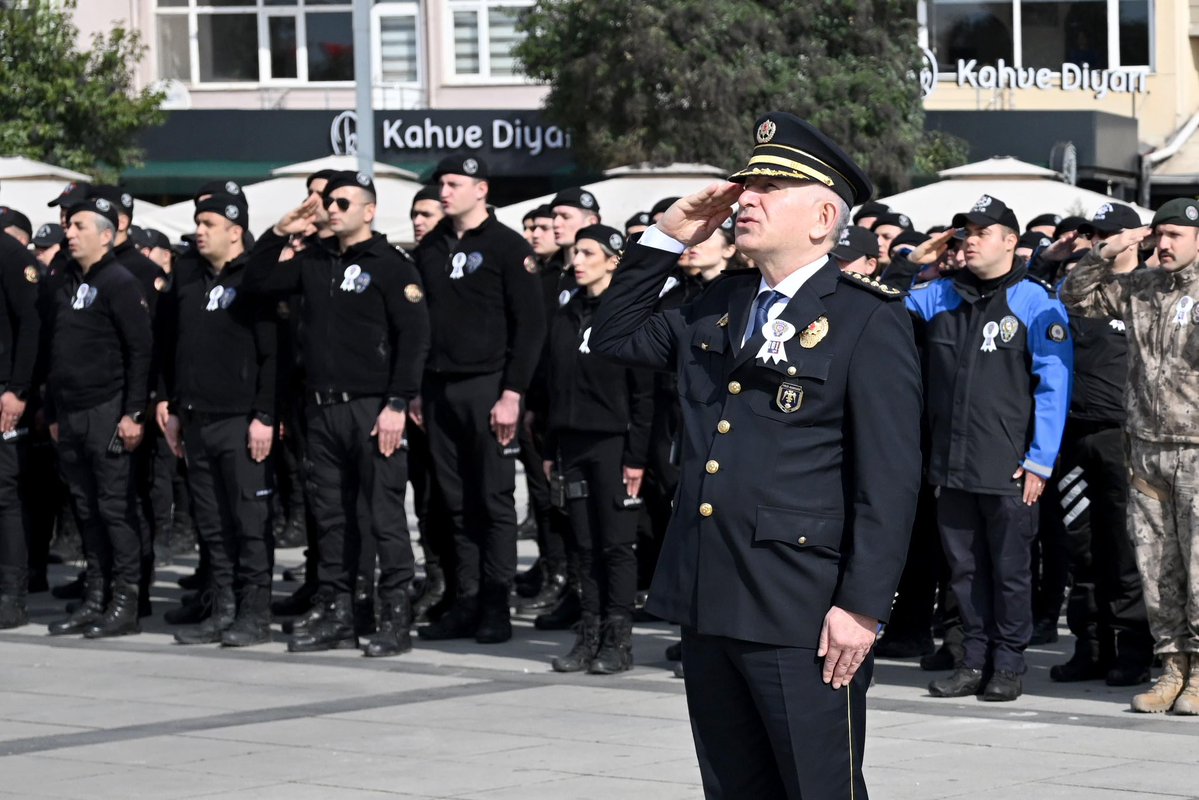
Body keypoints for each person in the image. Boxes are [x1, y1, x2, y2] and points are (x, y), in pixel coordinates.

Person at [591, 112, 922, 798]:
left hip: (800, 605)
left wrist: (861, 607)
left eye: (769, 187)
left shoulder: (868, 319)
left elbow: (887, 479)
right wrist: (665, 239)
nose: (743, 198)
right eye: (746, 185)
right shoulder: (717, 301)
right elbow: (612, 336)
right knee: (733, 786)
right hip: (710, 590)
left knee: (817, 786)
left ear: (821, 216)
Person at [244, 170, 430, 657]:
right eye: (329, 202)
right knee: (330, 519)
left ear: (369, 211)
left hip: (371, 410)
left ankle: (394, 620)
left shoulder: (391, 264)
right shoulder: (314, 262)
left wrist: (396, 402)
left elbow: (414, 338)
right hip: (321, 412)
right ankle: (340, 615)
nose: (331, 209)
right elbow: (257, 281)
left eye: (343, 203)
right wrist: (280, 231)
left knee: (385, 518)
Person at [906, 194, 1073, 702]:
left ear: (1011, 241)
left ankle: (1009, 664)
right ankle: (971, 660)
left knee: (1010, 571)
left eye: (982, 232)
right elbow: (886, 305)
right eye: (965, 233)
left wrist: (1040, 460)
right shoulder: (940, 297)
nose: (970, 241)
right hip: (951, 465)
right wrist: (923, 261)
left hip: (1009, 467)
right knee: (964, 571)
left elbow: (1054, 387)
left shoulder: (1036, 302)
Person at [1059, 197, 1199, 715]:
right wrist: (1109, 248)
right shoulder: (1139, 289)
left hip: (1196, 451)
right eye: (1157, 235)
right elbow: (1076, 296)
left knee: (1198, 569)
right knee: (1156, 567)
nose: (1163, 245)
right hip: (1144, 449)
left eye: (1175, 236)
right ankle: (1172, 668)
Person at [413, 154, 545, 644]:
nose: (443, 192)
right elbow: (419, 325)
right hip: (438, 389)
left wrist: (512, 392)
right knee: (453, 501)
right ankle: (465, 600)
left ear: (480, 189)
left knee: (492, 501)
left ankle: (495, 605)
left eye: (452, 183)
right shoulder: (431, 248)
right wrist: (413, 390)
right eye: (441, 184)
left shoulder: (509, 247)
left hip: (489, 388)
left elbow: (530, 326)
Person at [156, 194, 279, 647]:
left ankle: (255, 614)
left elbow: (272, 356)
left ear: (235, 229)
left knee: (248, 521)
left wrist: (265, 415)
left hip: (240, 421)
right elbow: (174, 348)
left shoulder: (254, 281)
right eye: (196, 222)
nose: (198, 230)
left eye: (207, 222)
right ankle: (222, 608)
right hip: (195, 419)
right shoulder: (190, 281)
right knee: (213, 525)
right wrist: (171, 406)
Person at [1049, 202, 1154, 687]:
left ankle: (1133, 649)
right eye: (1098, 235)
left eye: (1113, 235)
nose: (1104, 242)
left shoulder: (1148, 291)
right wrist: (1097, 255)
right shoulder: (1085, 292)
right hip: (1076, 436)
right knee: (1081, 548)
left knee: (1124, 549)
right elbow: (1069, 291)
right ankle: (1089, 647)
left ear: (1137, 237)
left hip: (1125, 438)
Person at [542, 224, 653, 674]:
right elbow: (553, 384)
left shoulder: (626, 314)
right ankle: (588, 633)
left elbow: (645, 394)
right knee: (583, 545)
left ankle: (618, 639)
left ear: (613, 261)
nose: (577, 261)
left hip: (614, 445)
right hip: (572, 443)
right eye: (574, 252)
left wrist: (636, 456)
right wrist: (551, 445)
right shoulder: (566, 310)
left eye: (588, 252)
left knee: (615, 545)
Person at [44, 196, 153, 639]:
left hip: (108, 410)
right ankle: (95, 597)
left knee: (114, 509)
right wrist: (52, 410)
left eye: (80, 226)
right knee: (85, 510)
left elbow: (139, 351)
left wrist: (133, 413)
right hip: (69, 413)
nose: (69, 232)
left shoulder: (120, 281)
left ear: (106, 236)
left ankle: (125, 602)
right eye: (69, 226)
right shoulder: (67, 280)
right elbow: (56, 348)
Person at [0, 224, 41, 628]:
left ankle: (12, 595)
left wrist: (18, 389)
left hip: (3, 392)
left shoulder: (11, 255)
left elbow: (31, 325)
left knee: (4, 495)